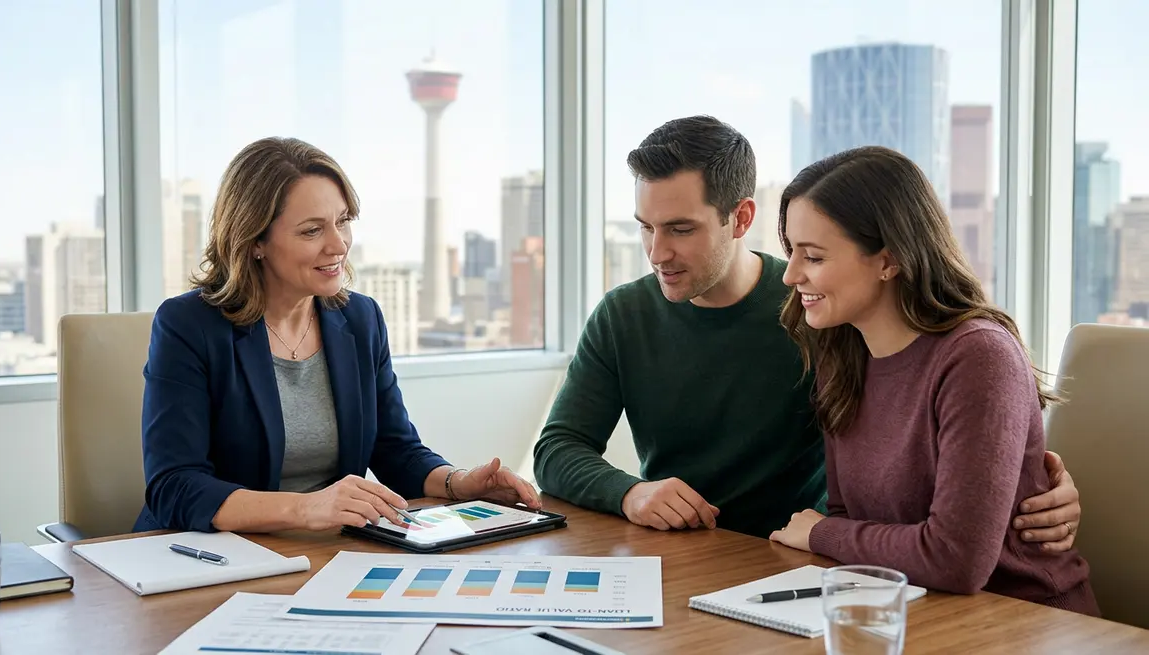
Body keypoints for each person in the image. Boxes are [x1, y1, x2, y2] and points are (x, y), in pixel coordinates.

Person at [533, 116, 1082, 552]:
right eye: (646, 228)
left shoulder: (826, 311)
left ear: (741, 218)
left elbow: (941, 419)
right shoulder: (623, 315)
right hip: (700, 553)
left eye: (680, 229)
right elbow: (557, 449)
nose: (657, 253)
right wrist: (629, 492)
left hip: (800, 556)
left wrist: (1031, 484)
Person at [136, 137, 540, 533]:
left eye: (343, 221)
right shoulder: (188, 324)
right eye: (312, 231)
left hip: (327, 552)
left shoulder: (360, 318)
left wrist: (458, 483)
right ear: (255, 240)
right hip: (208, 557)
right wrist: (307, 509)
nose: (338, 245)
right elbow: (176, 486)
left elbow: (395, 449)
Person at [766, 146, 1098, 615]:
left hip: (1020, 618)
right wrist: (831, 533)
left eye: (814, 257)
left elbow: (955, 559)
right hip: (909, 610)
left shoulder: (978, 355)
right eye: (791, 252)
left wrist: (820, 533)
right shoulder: (843, 353)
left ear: (889, 259)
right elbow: (850, 517)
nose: (792, 275)